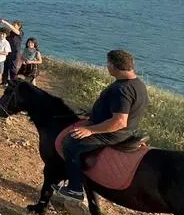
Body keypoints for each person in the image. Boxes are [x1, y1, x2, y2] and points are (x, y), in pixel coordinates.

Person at [54, 50, 149, 202]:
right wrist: (94, 113)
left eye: (108, 64)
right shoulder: (138, 84)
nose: (107, 67)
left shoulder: (122, 89)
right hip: (126, 131)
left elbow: (119, 121)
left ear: (113, 66)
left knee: (70, 145)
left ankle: (75, 189)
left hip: (114, 134)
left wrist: (90, 130)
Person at [0, 18, 23, 83]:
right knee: (5, 67)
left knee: (13, 69)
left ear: (19, 27)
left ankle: (13, 83)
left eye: (14, 25)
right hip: (7, 52)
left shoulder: (20, 33)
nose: (12, 26)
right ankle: (4, 82)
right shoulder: (9, 32)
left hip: (15, 53)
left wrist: (5, 22)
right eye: (12, 24)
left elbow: (15, 30)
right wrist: (1, 24)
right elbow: (1, 36)